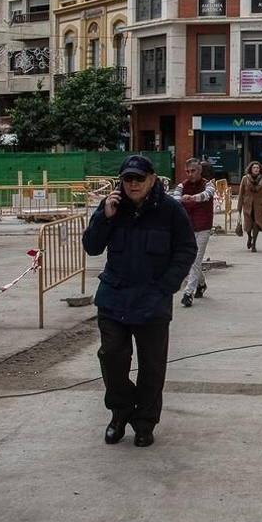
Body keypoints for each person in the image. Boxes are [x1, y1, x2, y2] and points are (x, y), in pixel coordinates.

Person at [82, 155, 196, 447]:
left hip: (152, 301)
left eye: (139, 179)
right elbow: (92, 247)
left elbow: (186, 249)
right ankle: (120, 413)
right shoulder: (111, 206)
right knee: (112, 357)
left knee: (152, 367)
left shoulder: (170, 210)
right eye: (127, 179)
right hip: (114, 298)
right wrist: (104, 217)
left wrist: (166, 286)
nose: (133, 184)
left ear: (152, 179)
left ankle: (144, 422)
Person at [168, 158, 215, 306]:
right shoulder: (182, 186)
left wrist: (191, 198)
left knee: (195, 259)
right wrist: (182, 199)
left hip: (204, 228)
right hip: (187, 228)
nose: (190, 174)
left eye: (193, 171)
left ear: (199, 171)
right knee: (192, 260)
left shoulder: (208, 185)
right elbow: (176, 199)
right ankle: (201, 283)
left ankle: (188, 293)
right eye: (187, 171)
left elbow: (206, 195)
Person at [238, 161, 262, 253]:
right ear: (251, 169)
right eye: (254, 168)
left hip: (259, 206)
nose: (256, 169)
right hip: (247, 205)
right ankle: (249, 237)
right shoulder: (245, 179)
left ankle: (254, 243)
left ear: (260, 169)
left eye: (257, 168)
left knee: (256, 224)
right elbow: (241, 193)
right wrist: (239, 207)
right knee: (248, 225)